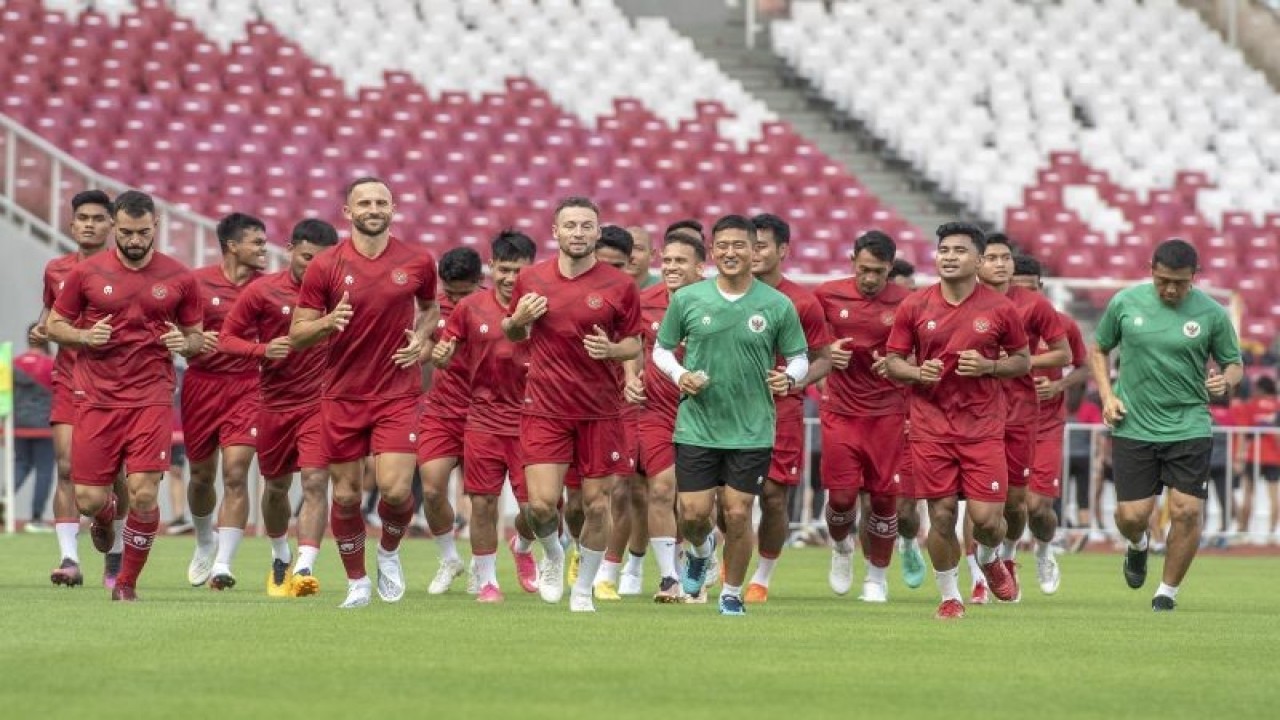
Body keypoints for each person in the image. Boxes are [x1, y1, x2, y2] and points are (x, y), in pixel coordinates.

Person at [45, 189, 205, 601]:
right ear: (115, 226)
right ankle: (104, 515)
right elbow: (54, 326)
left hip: (151, 395)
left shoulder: (180, 277)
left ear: (156, 226)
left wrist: (184, 343)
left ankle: (126, 584)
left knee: (145, 492)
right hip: (96, 396)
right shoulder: (86, 273)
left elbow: (197, 338)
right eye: (128, 232)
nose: (135, 240)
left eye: (143, 232)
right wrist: (85, 336)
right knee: (87, 499)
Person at [291, 177, 438, 609]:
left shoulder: (418, 260)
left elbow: (431, 309)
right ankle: (356, 581)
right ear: (348, 212)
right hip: (341, 395)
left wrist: (421, 337)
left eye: (381, 202)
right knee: (346, 495)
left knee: (395, 491)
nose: (373, 209)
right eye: (365, 203)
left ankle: (388, 552)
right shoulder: (325, 265)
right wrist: (327, 322)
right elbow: (297, 333)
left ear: (393, 208)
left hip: (397, 392)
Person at [653, 214, 809, 616]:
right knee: (693, 516)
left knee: (738, 513)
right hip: (698, 426)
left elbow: (800, 357)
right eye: (722, 245)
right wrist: (680, 375)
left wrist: (789, 378)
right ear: (712, 250)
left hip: (752, 428)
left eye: (740, 245)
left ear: (754, 250)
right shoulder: (688, 299)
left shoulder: (777, 305)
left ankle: (732, 594)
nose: (730, 252)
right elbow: (661, 349)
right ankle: (700, 552)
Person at [502, 196, 643, 613]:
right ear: (555, 232)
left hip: (600, 410)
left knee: (596, 505)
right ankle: (553, 553)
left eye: (586, 226)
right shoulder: (531, 279)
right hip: (545, 407)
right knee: (541, 505)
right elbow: (513, 333)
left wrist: (611, 350)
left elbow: (634, 343)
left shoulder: (620, 285)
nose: (578, 233)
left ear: (597, 232)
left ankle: (582, 590)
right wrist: (517, 320)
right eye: (570, 225)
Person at [883, 222, 1030, 619]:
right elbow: (893, 362)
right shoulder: (915, 305)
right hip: (931, 428)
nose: (949, 257)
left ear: (979, 260)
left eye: (959, 251)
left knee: (987, 521)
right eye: (944, 250)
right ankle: (950, 596)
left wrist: (989, 366)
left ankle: (989, 556)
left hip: (982, 429)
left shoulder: (1000, 309)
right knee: (942, 515)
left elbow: (1022, 361)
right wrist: (917, 373)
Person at [1089, 238, 1243, 611]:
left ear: (1194, 276)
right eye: (1163, 281)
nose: (1171, 289)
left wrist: (1226, 381)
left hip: (1189, 424)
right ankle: (1137, 544)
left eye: (1180, 282)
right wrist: (1108, 397)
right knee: (1132, 517)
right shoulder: (1125, 303)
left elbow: (1234, 364)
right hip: (1134, 424)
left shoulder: (1212, 313)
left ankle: (1166, 593)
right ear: (1151, 270)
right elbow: (1098, 348)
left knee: (1187, 510)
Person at [220, 218, 340, 597]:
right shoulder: (262, 291)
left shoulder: (341, 296)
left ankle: (304, 567)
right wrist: (261, 350)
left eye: (322, 261)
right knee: (276, 488)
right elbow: (226, 338)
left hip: (320, 403)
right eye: (307, 258)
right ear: (290, 250)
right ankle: (279, 555)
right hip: (274, 403)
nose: (314, 267)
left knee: (316, 481)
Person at [431, 230, 541, 602]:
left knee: (539, 510)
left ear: (532, 269)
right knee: (482, 503)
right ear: (491, 266)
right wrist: (440, 357)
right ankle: (488, 582)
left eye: (518, 271)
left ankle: (522, 545)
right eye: (504, 269)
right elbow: (445, 350)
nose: (510, 278)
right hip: (483, 418)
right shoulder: (469, 308)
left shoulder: (547, 307)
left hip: (532, 419)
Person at [814, 230, 913, 602]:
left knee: (885, 500)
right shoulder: (826, 295)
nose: (870, 278)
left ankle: (876, 578)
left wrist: (899, 364)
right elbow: (802, 341)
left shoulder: (907, 302)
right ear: (852, 261)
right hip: (841, 410)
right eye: (864, 269)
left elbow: (923, 351)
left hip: (888, 412)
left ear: (890, 267)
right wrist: (827, 351)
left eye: (879, 271)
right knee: (841, 498)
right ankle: (842, 547)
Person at [34, 189, 124, 588]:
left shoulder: (124, 270)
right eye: (83, 218)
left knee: (115, 474)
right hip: (70, 378)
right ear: (72, 225)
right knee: (66, 466)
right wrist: (42, 329)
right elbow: (49, 313)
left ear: (112, 225)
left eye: (98, 218)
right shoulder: (56, 269)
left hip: (115, 384)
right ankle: (69, 558)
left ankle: (115, 551)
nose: (89, 224)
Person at [973, 234, 1069, 602]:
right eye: (992, 257)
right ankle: (978, 578)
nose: (1000, 264)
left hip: (1019, 414)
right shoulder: (959, 301)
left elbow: (1064, 355)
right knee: (973, 505)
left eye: (1005, 258)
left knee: (1019, 504)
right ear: (978, 262)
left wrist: (1015, 363)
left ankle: (1013, 554)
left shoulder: (1034, 305)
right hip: (972, 414)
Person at [744, 213, 832, 603]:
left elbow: (823, 359)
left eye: (761, 245)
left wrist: (794, 381)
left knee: (773, 496)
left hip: (781, 412)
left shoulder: (802, 302)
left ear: (782, 250)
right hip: (727, 411)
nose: (752, 253)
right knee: (726, 498)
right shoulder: (722, 295)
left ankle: (762, 577)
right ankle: (726, 557)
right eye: (748, 245)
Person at [182, 213, 269, 590]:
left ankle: (223, 563)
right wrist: (191, 341)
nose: (264, 249)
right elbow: (179, 334)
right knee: (201, 476)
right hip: (201, 385)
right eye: (257, 242)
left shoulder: (267, 288)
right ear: (233, 246)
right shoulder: (196, 283)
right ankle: (205, 540)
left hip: (249, 386)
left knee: (236, 472)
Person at [624, 228, 707, 602]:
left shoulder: (716, 303)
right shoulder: (644, 302)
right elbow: (632, 347)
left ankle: (701, 554)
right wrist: (630, 377)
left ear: (700, 267)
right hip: (655, 409)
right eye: (668, 260)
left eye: (680, 261)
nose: (671, 267)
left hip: (704, 413)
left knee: (695, 508)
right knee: (659, 490)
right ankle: (669, 577)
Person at [1011, 255, 1089, 590]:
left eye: (1032, 288)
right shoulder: (996, 323)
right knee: (1008, 504)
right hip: (1005, 422)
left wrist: (1058, 386)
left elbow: (1084, 367)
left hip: (1045, 424)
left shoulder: (1062, 325)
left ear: (1041, 288)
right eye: (1019, 288)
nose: (1026, 295)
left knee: (1038, 506)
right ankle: (1007, 561)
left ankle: (1044, 550)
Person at [416, 246, 484, 595]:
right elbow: (424, 350)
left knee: (480, 496)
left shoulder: (495, 309)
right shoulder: (433, 309)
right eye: (451, 293)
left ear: (480, 281)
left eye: (464, 293)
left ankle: (480, 567)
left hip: (484, 413)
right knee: (431, 488)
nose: (456, 301)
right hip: (441, 411)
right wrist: (418, 352)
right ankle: (449, 558)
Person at [594, 225, 652, 600]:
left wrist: (631, 377)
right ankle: (577, 553)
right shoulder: (571, 290)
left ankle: (615, 568)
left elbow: (635, 344)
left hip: (624, 404)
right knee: (582, 496)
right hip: (578, 403)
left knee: (626, 489)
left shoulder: (632, 295)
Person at [885, 256, 928, 585]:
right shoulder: (866, 322)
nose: (909, 297)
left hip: (914, 423)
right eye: (903, 291)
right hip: (869, 421)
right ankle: (873, 577)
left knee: (905, 508)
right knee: (867, 500)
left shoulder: (926, 321)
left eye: (912, 290)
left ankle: (909, 541)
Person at [12, 326, 56, 531]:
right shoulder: (51, 365)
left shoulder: (13, 364)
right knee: (44, 471)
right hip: (45, 427)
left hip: (19, 426)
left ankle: (3, 505)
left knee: (20, 466)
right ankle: (36, 519)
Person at [1235, 376, 1280, 541]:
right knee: (1274, 496)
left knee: (1248, 494)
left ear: (1260, 389)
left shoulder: (1251, 405)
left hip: (1253, 455)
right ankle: (1272, 533)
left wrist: (1239, 456)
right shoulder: (1277, 406)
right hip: (1274, 456)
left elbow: (1242, 433)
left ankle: (1242, 532)